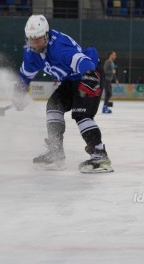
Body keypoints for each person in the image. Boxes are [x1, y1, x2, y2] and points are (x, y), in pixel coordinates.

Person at [12, 15, 113, 173]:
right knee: (54, 106)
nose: (34, 43)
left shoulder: (59, 47)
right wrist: (18, 93)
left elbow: (84, 61)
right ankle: (56, 152)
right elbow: (25, 76)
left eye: (38, 39)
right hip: (71, 79)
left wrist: (90, 76)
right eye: (31, 39)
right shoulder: (31, 53)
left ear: (46, 35)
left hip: (89, 74)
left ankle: (100, 155)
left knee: (82, 114)